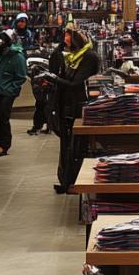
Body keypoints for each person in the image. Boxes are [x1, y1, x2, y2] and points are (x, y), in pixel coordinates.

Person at [42, 27, 101, 193]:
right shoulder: (73, 57)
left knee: (74, 146)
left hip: (76, 108)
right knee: (68, 145)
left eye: (68, 37)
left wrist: (54, 79)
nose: (65, 40)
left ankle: (71, 181)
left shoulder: (88, 57)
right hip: (67, 106)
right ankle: (67, 180)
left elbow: (76, 84)